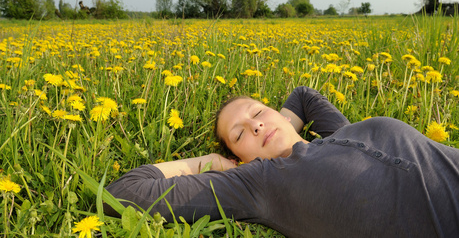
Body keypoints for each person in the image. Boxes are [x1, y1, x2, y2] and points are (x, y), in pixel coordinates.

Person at [104, 86, 459, 238]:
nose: (255, 124)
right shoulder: (261, 182)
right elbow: (123, 193)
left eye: (258, 112)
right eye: (240, 134)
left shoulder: (338, 133)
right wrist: (211, 163)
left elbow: (304, 96)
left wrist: (288, 129)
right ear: (238, 158)